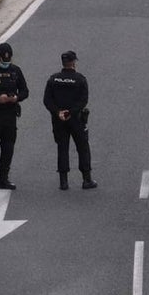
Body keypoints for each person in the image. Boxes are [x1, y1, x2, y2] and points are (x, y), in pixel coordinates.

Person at [43, 50, 96, 191]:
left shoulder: (53, 79)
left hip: (58, 119)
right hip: (76, 119)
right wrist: (70, 112)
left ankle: (63, 182)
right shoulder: (80, 79)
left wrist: (58, 112)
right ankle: (86, 179)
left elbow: (47, 100)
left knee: (62, 148)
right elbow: (83, 100)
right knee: (83, 147)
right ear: (73, 63)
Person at [0, 42, 29, 192]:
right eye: (3, 60)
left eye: (8, 61)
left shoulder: (16, 71)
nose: (6, 63)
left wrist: (16, 98)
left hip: (10, 115)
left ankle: (4, 178)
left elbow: (25, 91)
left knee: (8, 147)